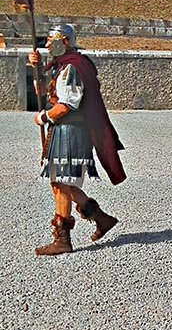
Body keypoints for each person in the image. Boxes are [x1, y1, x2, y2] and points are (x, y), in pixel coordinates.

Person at [28, 23, 125, 256]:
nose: (47, 44)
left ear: (65, 41)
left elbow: (67, 104)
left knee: (60, 183)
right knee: (63, 183)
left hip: (70, 131)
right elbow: (43, 91)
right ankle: (101, 219)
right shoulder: (60, 65)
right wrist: (36, 67)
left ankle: (62, 240)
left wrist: (44, 117)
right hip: (63, 131)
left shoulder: (73, 66)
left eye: (51, 40)